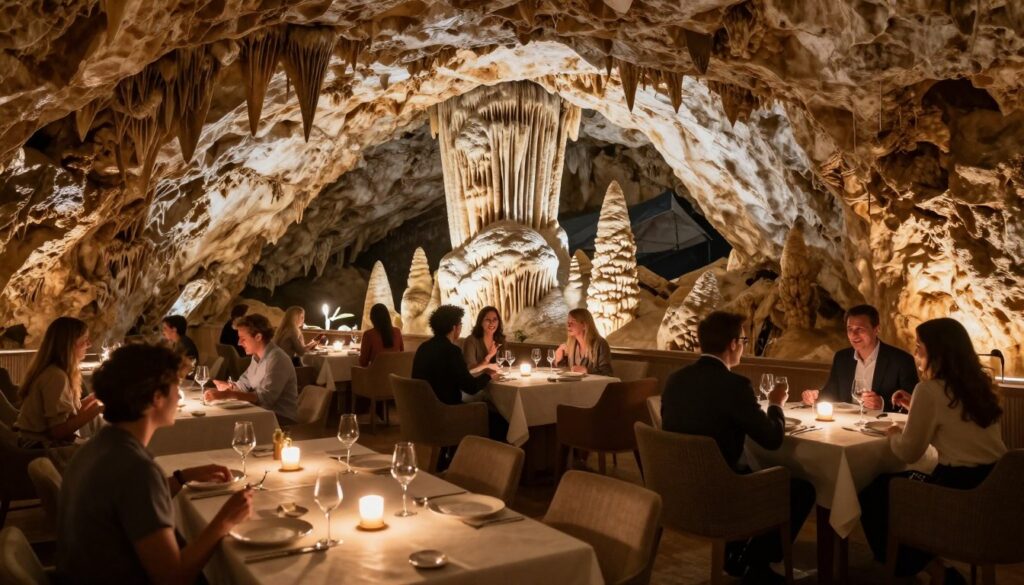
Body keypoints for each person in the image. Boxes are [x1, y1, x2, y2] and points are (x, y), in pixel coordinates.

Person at [57, 343, 253, 585]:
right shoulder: (136, 469)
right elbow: (173, 578)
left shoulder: (97, 447)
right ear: (156, 398)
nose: (179, 395)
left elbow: (126, 502)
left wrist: (180, 478)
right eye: (176, 388)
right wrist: (226, 519)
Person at [661, 311, 815, 585]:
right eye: (743, 339)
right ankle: (758, 563)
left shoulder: (675, 380)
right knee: (801, 486)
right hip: (722, 492)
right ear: (733, 344)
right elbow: (771, 439)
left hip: (677, 489)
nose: (744, 344)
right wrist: (776, 403)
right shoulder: (735, 386)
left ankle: (736, 555)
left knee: (756, 469)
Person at [858, 318, 1006, 584]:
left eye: (919, 347)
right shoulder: (982, 385)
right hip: (995, 489)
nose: (915, 353)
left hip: (956, 491)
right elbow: (957, 421)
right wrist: (916, 405)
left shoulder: (929, 389)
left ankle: (918, 566)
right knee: (897, 484)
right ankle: (930, 562)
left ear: (937, 352)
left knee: (875, 488)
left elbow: (908, 452)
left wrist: (893, 432)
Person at [412, 305, 506, 444]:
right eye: (460, 324)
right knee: (501, 419)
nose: (460, 327)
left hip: (423, 410)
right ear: (454, 327)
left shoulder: (423, 348)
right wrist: (489, 375)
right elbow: (471, 387)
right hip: (447, 412)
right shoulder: (452, 352)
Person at [802, 304, 918, 412]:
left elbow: (915, 405)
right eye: (850, 329)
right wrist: (815, 395)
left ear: (876, 329)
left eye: (860, 329)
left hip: (883, 430)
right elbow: (831, 393)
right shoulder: (842, 358)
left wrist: (882, 405)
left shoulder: (901, 361)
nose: (853, 335)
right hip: (846, 426)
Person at [14, 317, 103, 448]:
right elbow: (58, 431)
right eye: (84, 340)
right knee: (102, 448)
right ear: (69, 344)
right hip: (36, 446)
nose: (89, 344)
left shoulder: (56, 372)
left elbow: (67, 415)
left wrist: (94, 399)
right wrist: (98, 409)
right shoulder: (55, 377)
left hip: (37, 440)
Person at [205, 314, 298, 425]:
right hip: (259, 413)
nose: (239, 343)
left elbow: (265, 399)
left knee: (224, 423)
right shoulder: (256, 357)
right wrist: (229, 387)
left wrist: (227, 395)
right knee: (219, 418)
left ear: (258, 337)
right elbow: (243, 385)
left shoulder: (277, 359)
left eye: (243, 339)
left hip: (279, 419)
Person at [552, 308, 613, 376]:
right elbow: (565, 371)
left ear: (584, 325)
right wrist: (558, 360)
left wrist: (586, 370)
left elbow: (608, 373)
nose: (568, 325)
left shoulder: (600, 344)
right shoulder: (571, 345)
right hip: (575, 385)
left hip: (594, 386)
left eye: (573, 322)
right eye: (568, 322)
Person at [360, 303, 404, 367]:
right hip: (394, 375)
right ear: (388, 317)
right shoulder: (397, 332)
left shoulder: (368, 335)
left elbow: (363, 362)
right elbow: (401, 354)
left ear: (372, 318)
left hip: (376, 375)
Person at [462, 306, 503, 373]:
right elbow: (471, 371)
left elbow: (507, 366)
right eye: (487, 320)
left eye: (495, 319)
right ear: (480, 322)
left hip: (499, 380)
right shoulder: (471, 341)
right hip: (478, 382)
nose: (492, 323)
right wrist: (488, 356)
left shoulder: (501, 340)